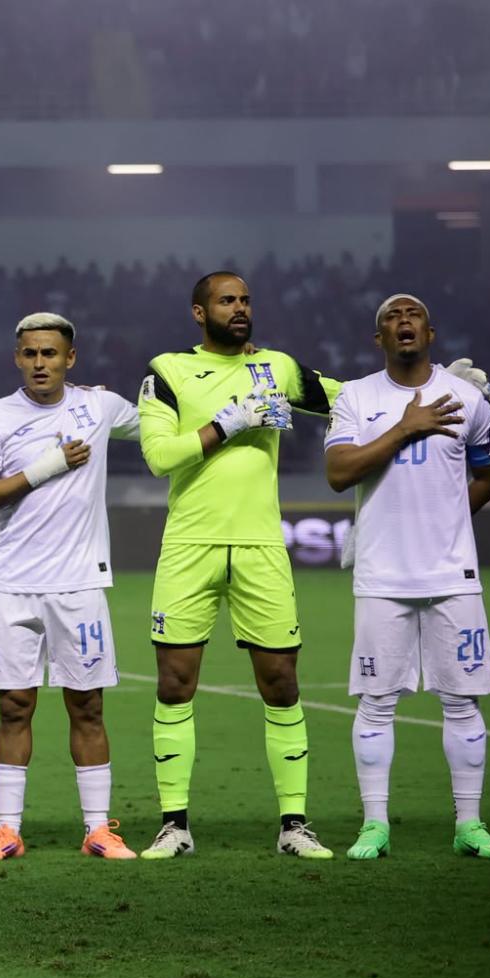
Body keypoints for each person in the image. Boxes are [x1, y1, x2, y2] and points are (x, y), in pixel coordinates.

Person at [136, 271, 342, 860]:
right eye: (227, 300)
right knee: (176, 685)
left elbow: (353, 399)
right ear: (200, 312)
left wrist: (435, 390)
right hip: (189, 546)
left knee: (281, 684)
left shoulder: (277, 367)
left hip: (260, 547)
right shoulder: (167, 372)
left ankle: (294, 826)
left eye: (246, 299)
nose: (240, 308)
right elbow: (158, 457)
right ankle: (174, 825)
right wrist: (230, 421)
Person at [323, 294, 490, 861]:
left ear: (430, 332)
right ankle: (374, 825)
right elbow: (338, 472)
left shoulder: (468, 398)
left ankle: (469, 825)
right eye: (390, 319)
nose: (403, 322)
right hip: (382, 578)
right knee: (377, 702)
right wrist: (406, 427)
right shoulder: (356, 396)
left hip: (453, 575)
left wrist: (444, 521)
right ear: (379, 339)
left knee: (463, 701)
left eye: (413, 316)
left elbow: (489, 475)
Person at [0, 313, 138, 862]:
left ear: (71, 359)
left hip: (79, 585)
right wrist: (48, 466)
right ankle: (8, 831)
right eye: (31, 354)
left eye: (50, 354)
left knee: (87, 707)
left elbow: (158, 427)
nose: (40, 363)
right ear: (17, 358)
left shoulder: (100, 407)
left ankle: (98, 831)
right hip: (13, 585)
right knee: (14, 707)